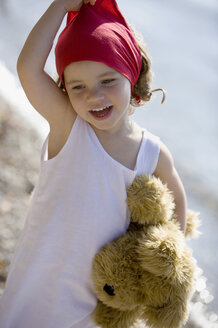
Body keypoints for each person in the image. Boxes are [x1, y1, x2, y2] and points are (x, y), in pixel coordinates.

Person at [0, 0, 187, 327]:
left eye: (108, 80)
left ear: (131, 75)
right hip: (38, 286)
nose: (93, 96)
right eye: (78, 87)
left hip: (99, 304)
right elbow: (28, 69)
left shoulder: (152, 152)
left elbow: (177, 203)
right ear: (64, 90)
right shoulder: (69, 126)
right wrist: (59, 7)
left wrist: (170, 254)